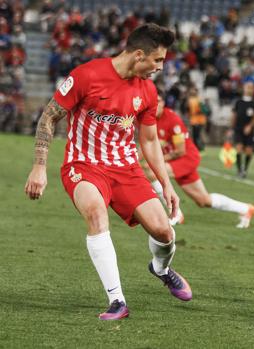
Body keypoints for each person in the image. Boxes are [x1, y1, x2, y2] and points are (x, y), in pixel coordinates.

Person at [24, 24, 192, 321]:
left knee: (164, 231)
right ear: (139, 55)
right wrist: (39, 166)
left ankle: (161, 269)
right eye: (157, 60)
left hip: (127, 169)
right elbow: (49, 117)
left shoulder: (148, 91)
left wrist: (166, 184)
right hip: (84, 166)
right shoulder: (87, 75)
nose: (159, 67)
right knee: (95, 213)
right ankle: (117, 301)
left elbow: (150, 140)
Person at [144, 91, 254, 228]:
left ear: (164, 103)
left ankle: (176, 214)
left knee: (152, 171)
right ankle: (245, 209)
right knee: (203, 200)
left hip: (186, 158)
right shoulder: (147, 120)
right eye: (152, 102)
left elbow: (180, 150)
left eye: (159, 101)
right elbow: (146, 144)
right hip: (176, 161)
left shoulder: (172, 120)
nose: (156, 105)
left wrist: (156, 161)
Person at [230, 81, 254, 178]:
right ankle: (239, 170)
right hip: (238, 128)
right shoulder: (238, 102)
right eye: (247, 87)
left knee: (249, 150)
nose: (249, 89)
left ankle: (245, 169)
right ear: (244, 88)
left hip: (249, 130)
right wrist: (231, 128)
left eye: (251, 87)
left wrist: (250, 126)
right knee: (238, 148)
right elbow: (234, 115)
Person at [187, 86, 206, 151]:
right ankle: (196, 148)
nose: (193, 92)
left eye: (194, 90)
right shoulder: (190, 99)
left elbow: (203, 110)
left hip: (199, 120)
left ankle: (200, 147)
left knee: (198, 134)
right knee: (195, 135)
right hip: (193, 120)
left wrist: (199, 110)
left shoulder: (199, 99)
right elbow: (188, 110)